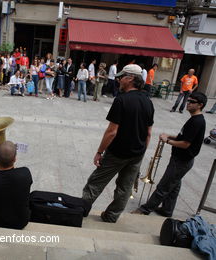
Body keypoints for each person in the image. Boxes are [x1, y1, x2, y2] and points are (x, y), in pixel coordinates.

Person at [82, 64, 154, 223]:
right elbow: (148, 133)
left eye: (122, 77)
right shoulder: (148, 102)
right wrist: (141, 152)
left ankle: (81, 211)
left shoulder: (121, 100)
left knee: (95, 183)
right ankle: (111, 216)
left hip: (117, 153)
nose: (119, 80)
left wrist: (100, 151)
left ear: (131, 79)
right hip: (136, 154)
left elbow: (112, 131)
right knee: (125, 188)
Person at [133, 92, 207, 217]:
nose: (188, 103)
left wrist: (168, 141)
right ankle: (167, 210)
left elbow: (185, 143)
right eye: (188, 100)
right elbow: (182, 137)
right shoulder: (194, 119)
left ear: (200, 105)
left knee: (164, 186)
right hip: (181, 160)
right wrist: (169, 136)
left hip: (182, 161)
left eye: (192, 102)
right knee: (174, 186)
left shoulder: (197, 121)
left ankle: (145, 210)